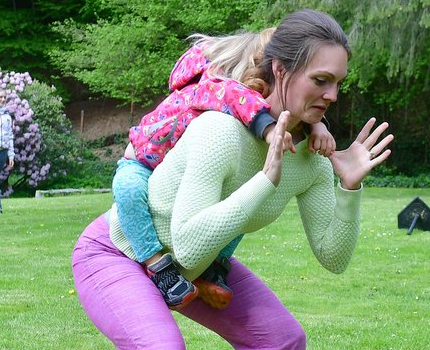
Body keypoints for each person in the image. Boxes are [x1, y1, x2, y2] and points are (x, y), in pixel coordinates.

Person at [71, 9, 393, 350]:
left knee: (281, 340)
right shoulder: (218, 131)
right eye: (321, 80)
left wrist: (349, 188)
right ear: (279, 71)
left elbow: (333, 257)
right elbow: (191, 243)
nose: (333, 94)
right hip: (120, 254)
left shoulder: (310, 162)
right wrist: (264, 180)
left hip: (197, 270)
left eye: (339, 83)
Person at [116, 29, 335, 310]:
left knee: (239, 194)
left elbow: (289, 106)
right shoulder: (217, 87)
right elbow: (247, 102)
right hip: (141, 164)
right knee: (128, 192)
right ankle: (157, 265)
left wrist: (317, 124)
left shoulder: (236, 101)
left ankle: (214, 266)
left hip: (178, 170)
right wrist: (272, 131)